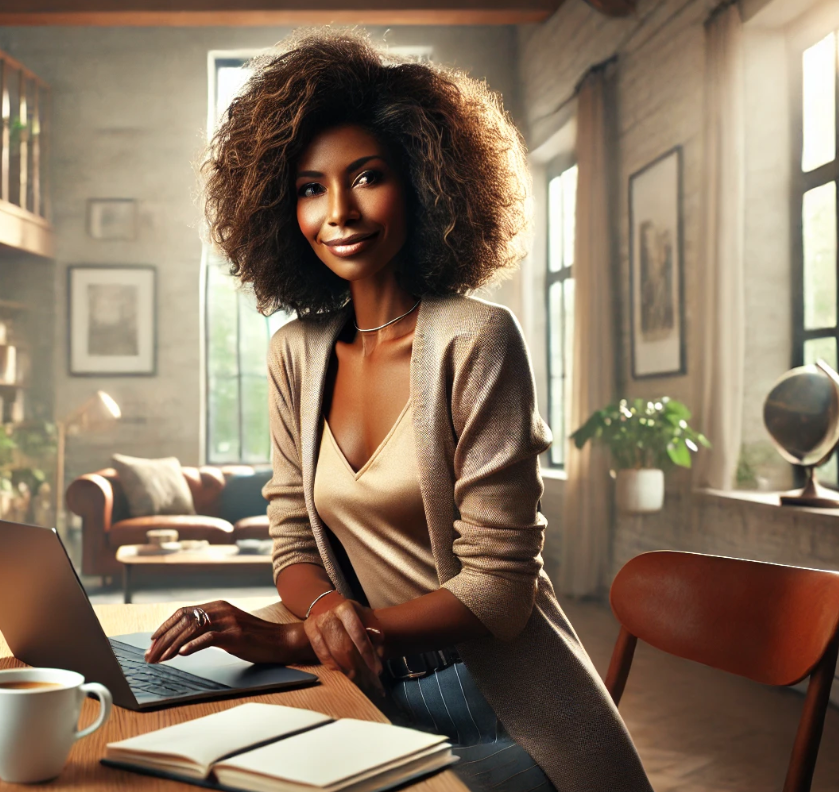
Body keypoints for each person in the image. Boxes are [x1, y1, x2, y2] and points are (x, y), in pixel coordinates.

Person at [146, 32, 652, 792]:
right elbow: (292, 543)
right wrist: (323, 616)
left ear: (423, 182)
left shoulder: (477, 339)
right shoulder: (295, 351)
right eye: (311, 188)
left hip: (507, 708)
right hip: (367, 684)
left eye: (367, 177)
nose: (339, 212)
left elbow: (498, 589)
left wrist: (296, 637)